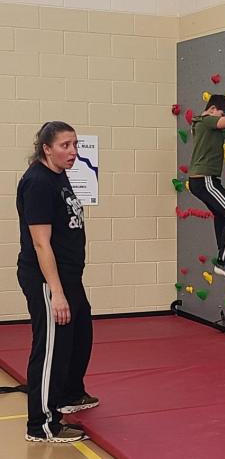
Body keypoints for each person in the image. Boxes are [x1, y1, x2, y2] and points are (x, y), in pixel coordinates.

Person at [16, 121, 99, 443]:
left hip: (68, 276)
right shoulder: (37, 182)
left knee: (79, 336)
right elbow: (41, 243)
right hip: (47, 280)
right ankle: (42, 424)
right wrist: (57, 293)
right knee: (51, 347)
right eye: (65, 145)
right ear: (46, 148)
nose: (73, 152)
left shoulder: (58, 174)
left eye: (75, 144)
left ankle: (67, 394)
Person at [187, 86, 225, 278]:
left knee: (221, 216)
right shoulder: (206, 121)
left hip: (200, 180)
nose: (219, 120)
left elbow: (221, 114)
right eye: (219, 115)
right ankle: (223, 260)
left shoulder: (199, 122)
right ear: (212, 110)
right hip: (205, 179)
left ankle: (223, 256)